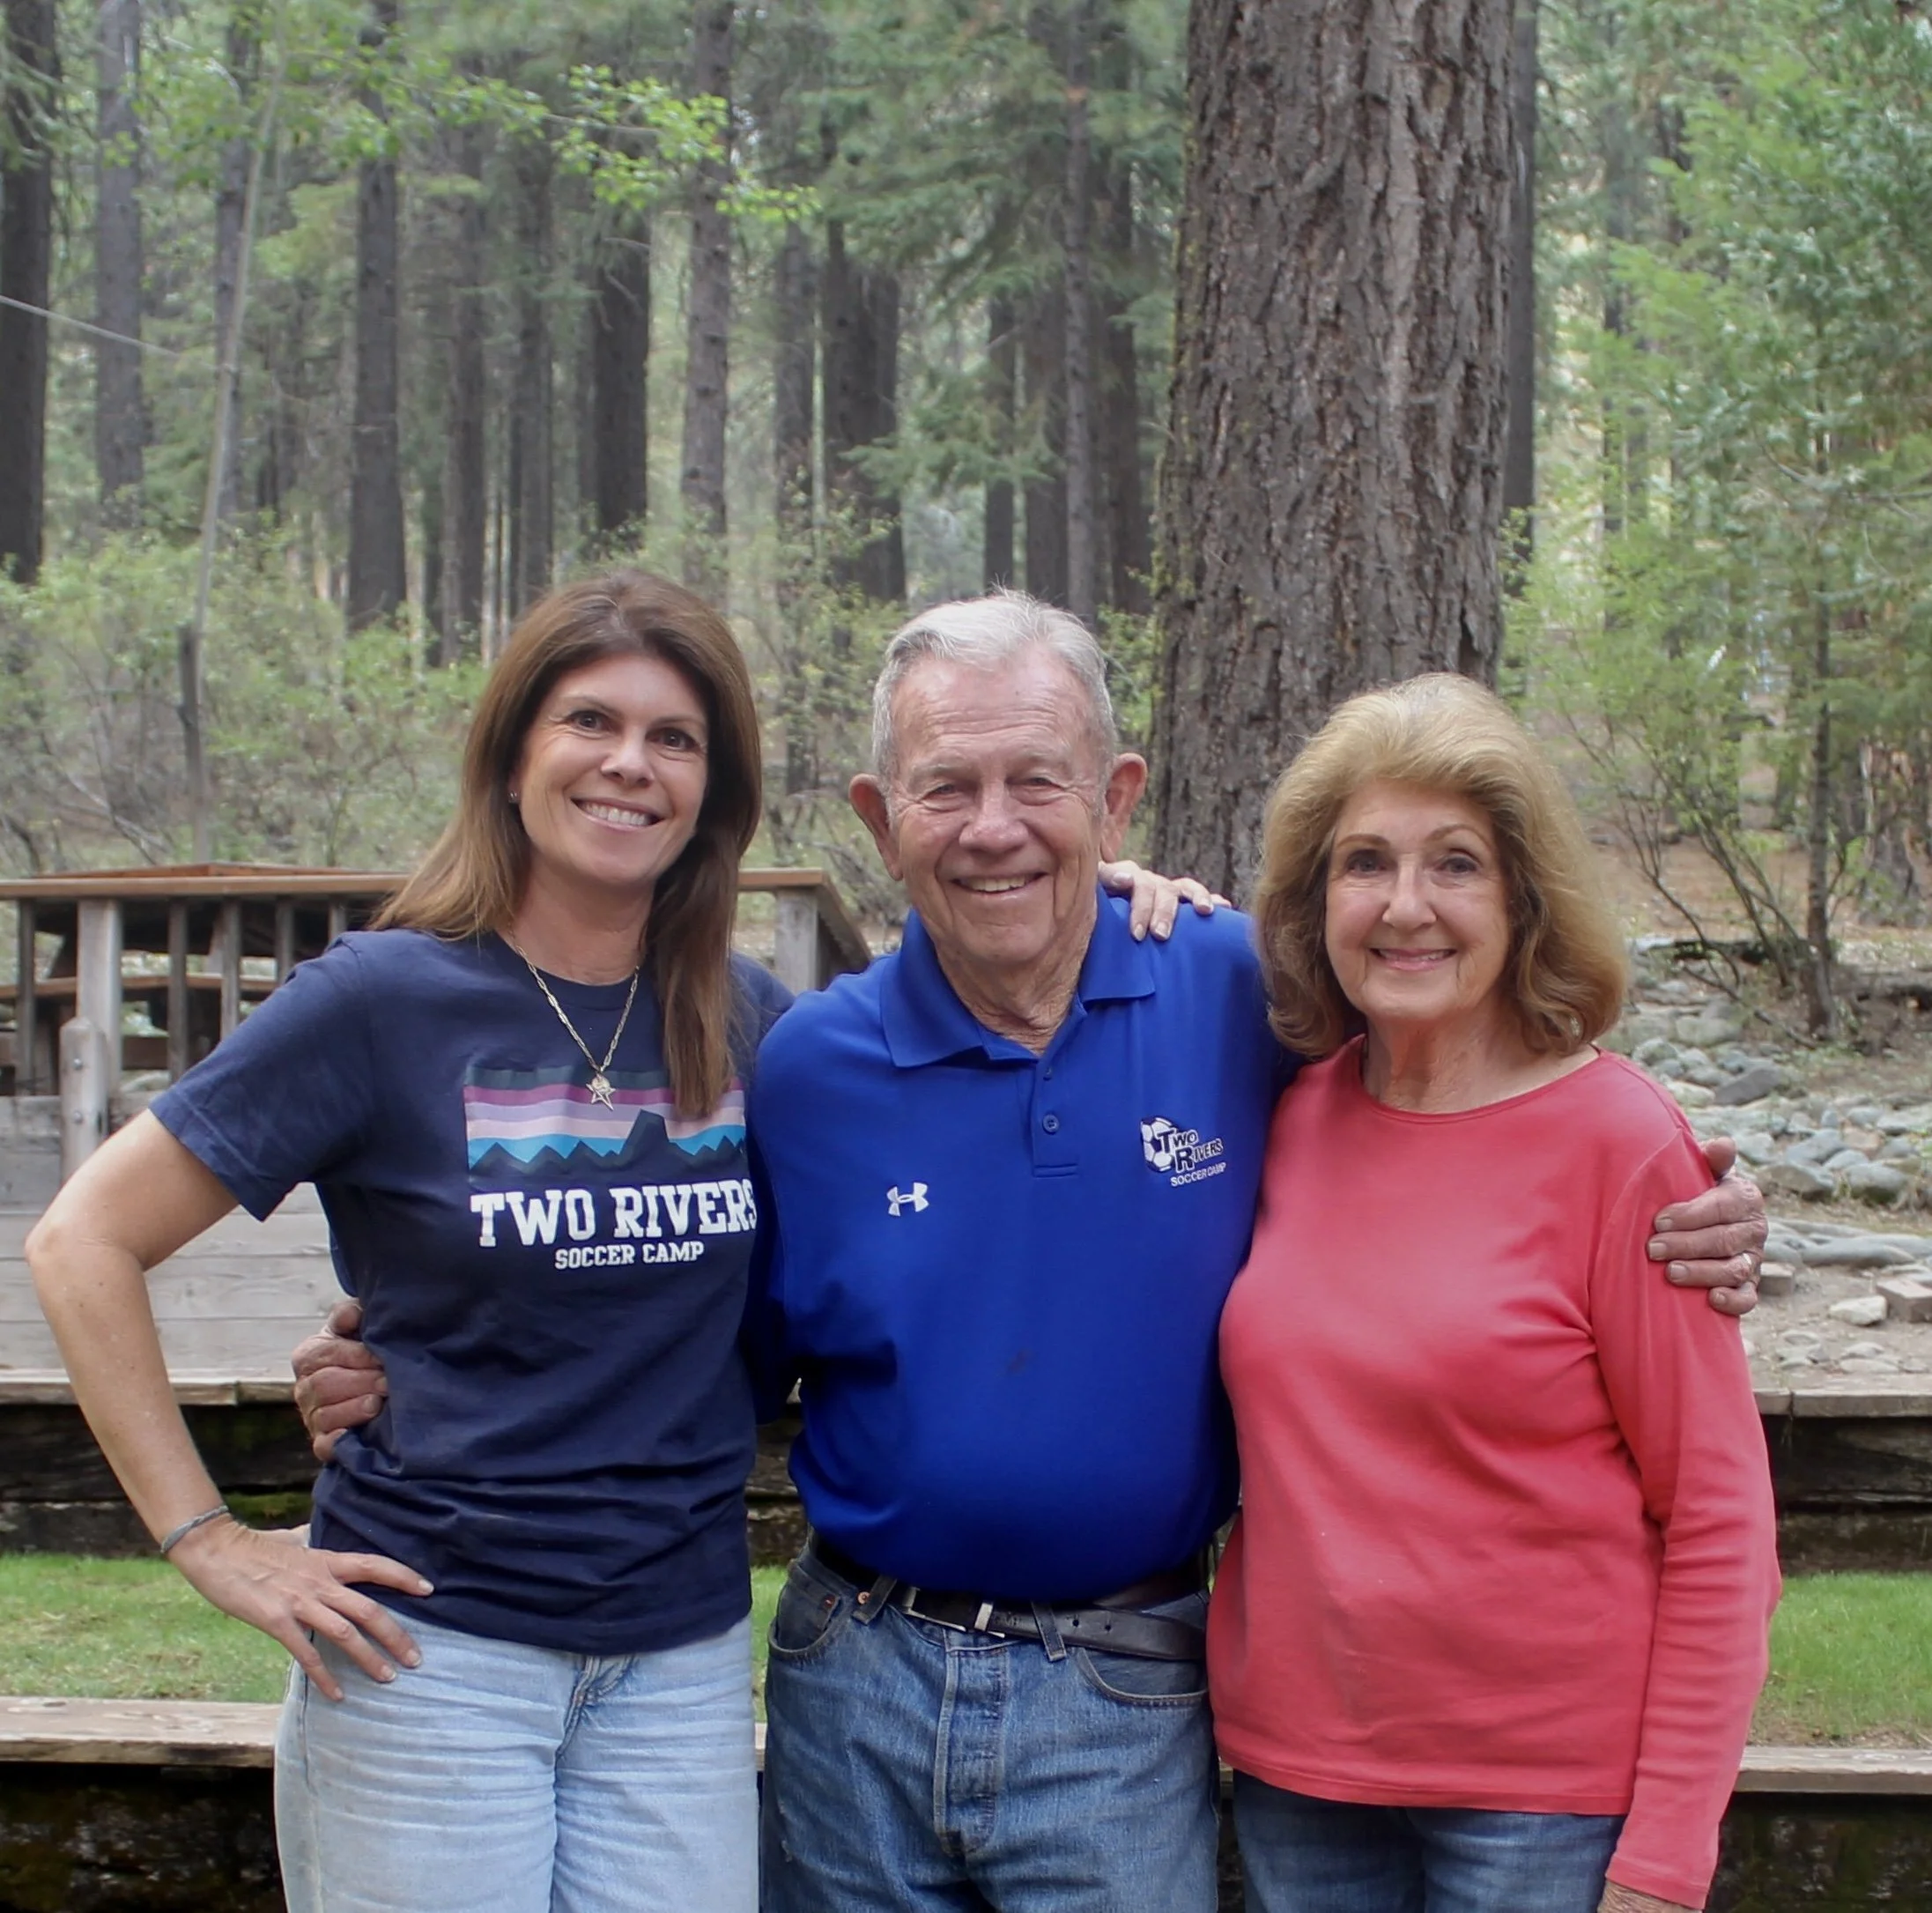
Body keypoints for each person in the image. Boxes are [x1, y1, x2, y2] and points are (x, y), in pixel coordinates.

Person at [296, 593, 1768, 1913]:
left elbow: (1478, 1072)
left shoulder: (1233, 995)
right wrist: (424, 1344)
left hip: (1128, 1691)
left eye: (1036, 780)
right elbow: (691, 1330)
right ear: (882, 819)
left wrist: (1700, 1192)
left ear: (1115, 797)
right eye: (946, 785)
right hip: (853, 1672)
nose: (992, 825)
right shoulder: (806, 1065)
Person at [28, 570, 793, 1913]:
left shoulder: (747, 1019)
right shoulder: (380, 1000)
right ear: (510, 758)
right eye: (589, 722)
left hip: (678, 1656)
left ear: (713, 789)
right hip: (427, 1652)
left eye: (676, 737)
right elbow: (82, 1239)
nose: (631, 764)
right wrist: (209, 1536)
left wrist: (1113, 891)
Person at [1210, 673, 1780, 1913]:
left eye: (1455, 864)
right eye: (1366, 862)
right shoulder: (1286, 1115)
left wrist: (1668, 1854)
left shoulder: (1621, 1146)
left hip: (1546, 1808)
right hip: (1303, 1784)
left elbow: (1723, 1518)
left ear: (1523, 902)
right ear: (1319, 901)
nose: (1405, 906)